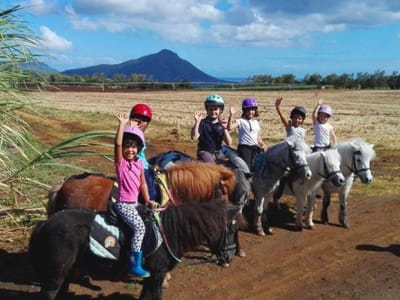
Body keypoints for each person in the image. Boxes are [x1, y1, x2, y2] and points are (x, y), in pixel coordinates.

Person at [114, 112, 158, 278]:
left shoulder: (139, 163)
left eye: (133, 147)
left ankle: (146, 254)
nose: (130, 150)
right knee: (139, 227)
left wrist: (147, 200)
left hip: (135, 203)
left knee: (150, 221)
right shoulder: (121, 164)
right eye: (127, 147)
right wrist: (122, 125)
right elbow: (117, 144)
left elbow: (143, 184)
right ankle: (134, 265)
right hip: (123, 204)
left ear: (138, 149)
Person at [191, 94, 232, 163]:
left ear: (220, 110)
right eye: (210, 109)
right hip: (204, 152)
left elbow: (229, 143)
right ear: (207, 110)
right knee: (212, 167)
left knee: (229, 167)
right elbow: (194, 138)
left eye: (215, 109)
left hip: (218, 152)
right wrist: (197, 123)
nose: (213, 112)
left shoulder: (221, 124)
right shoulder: (202, 123)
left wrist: (225, 128)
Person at [227, 97, 265, 172]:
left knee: (257, 166)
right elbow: (229, 127)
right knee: (246, 168)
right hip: (244, 148)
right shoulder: (240, 121)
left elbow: (257, 136)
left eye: (253, 110)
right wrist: (231, 115)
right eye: (249, 110)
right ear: (244, 111)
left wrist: (263, 144)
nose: (251, 112)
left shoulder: (256, 123)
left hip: (255, 147)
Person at [129, 103, 157, 201]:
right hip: (141, 169)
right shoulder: (132, 133)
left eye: (144, 120)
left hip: (144, 166)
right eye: (137, 119)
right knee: (152, 194)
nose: (140, 123)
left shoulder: (139, 133)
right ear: (131, 119)